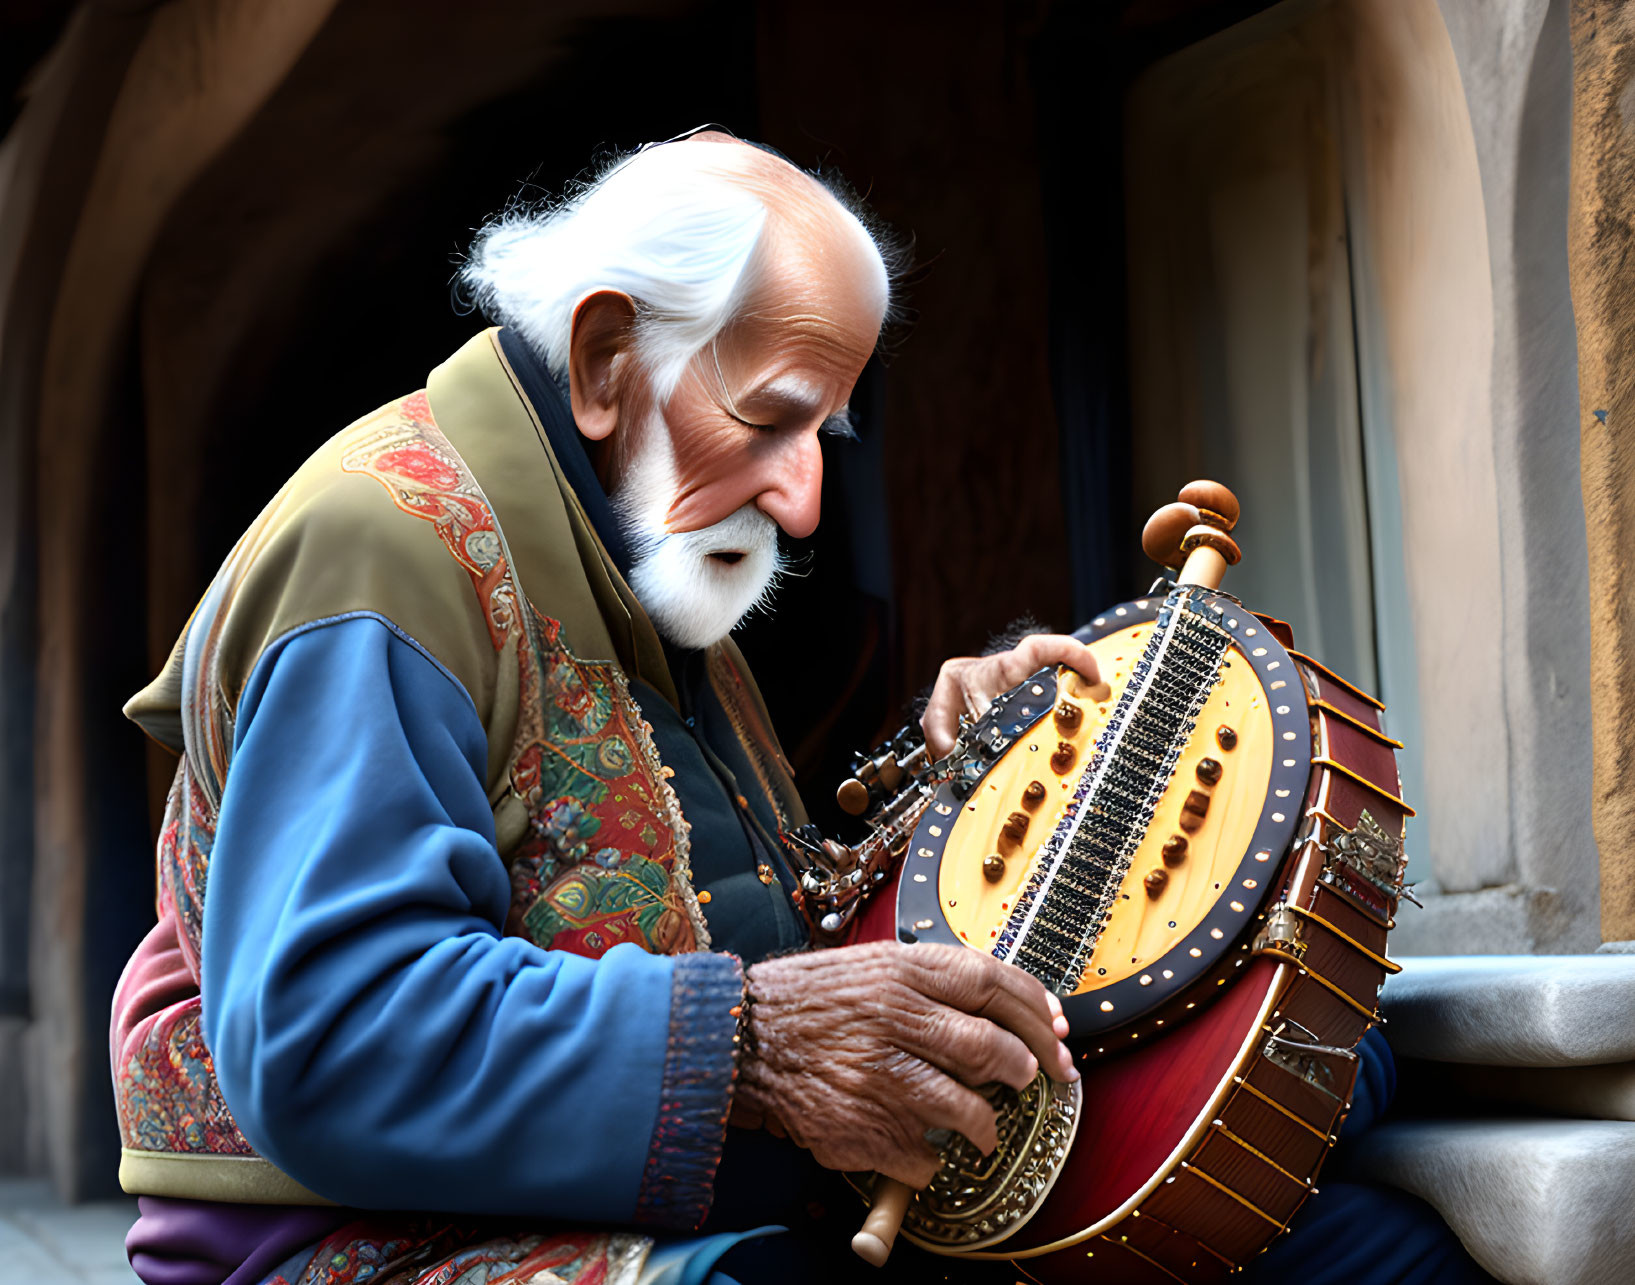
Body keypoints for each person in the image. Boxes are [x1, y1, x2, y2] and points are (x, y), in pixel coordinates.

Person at [110, 128, 1489, 1285]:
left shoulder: (636, 554)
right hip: (382, 1249)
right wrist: (763, 1047)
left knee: (1362, 1232)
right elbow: (334, 1035)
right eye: (768, 417)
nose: (805, 493)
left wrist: (946, 787)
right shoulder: (387, 545)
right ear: (604, 359)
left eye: (822, 432)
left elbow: (717, 911)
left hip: (672, 1201)